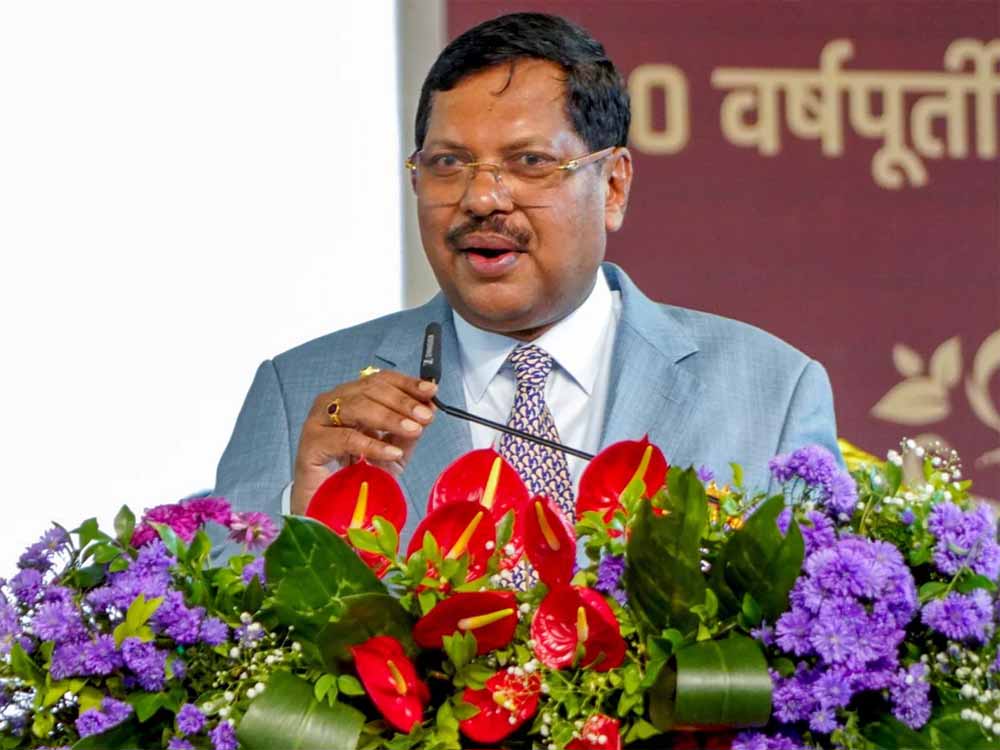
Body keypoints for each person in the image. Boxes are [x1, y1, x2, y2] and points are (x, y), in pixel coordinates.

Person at [213, 12, 840, 547]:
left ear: (613, 185)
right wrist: (304, 519)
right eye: (448, 163)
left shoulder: (770, 394)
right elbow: (206, 629)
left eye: (530, 162)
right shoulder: (300, 396)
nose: (482, 198)